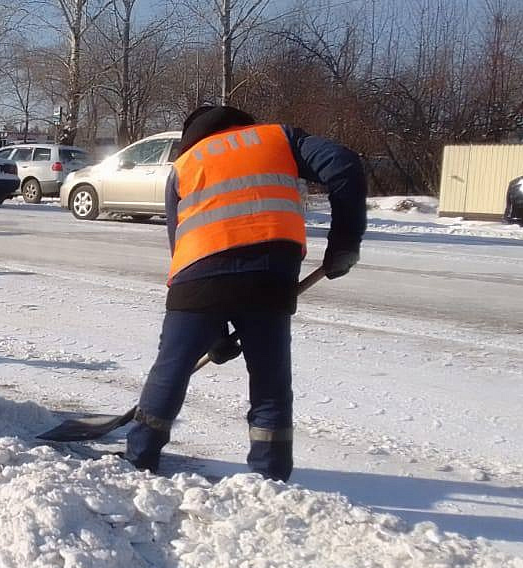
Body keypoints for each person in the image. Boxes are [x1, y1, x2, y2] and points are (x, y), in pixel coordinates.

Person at [124, 105, 367, 481]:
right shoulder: (279, 138)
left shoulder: (184, 166)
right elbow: (345, 165)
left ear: (192, 136)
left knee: (170, 370)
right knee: (270, 385)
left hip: (197, 277)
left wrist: (212, 333)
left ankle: (139, 459)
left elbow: (180, 243)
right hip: (270, 273)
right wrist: (344, 243)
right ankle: (269, 481)